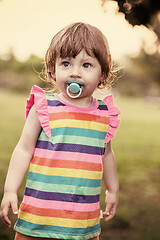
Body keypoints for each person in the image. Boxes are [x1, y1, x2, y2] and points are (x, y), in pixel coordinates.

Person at [0, 22, 121, 240]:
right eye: (66, 63)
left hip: (82, 222)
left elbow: (107, 155)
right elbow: (23, 150)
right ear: (52, 71)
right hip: (38, 217)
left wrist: (112, 189)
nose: (75, 72)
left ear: (102, 74)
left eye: (86, 65)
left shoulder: (105, 114)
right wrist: (10, 189)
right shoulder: (44, 108)